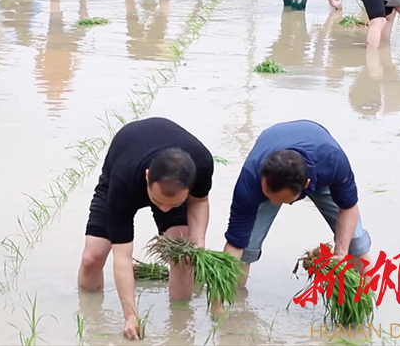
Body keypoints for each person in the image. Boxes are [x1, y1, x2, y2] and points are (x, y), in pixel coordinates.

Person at [77, 117, 214, 340]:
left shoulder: (202, 163)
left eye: (174, 204)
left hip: (170, 180)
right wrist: (130, 316)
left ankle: (180, 323)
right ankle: (89, 316)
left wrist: (198, 244)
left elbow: (199, 202)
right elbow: (122, 257)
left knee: (183, 256)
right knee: (92, 257)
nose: (165, 209)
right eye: (158, 202)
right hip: (123, 173)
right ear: (148, 176)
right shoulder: (124, 180)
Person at [214, 120, 373, 311]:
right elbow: (235, 244)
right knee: (245, 250)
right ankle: (236, 303)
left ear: (305, 185)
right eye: (269, 196)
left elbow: (348, 208)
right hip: (272, 148)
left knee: (356, 243)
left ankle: (365, 302)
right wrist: (217, 298)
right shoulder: (251, 179)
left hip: (320, 165)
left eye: (281, 200)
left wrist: (340, 253)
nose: (273, 204)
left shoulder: (332, 160)